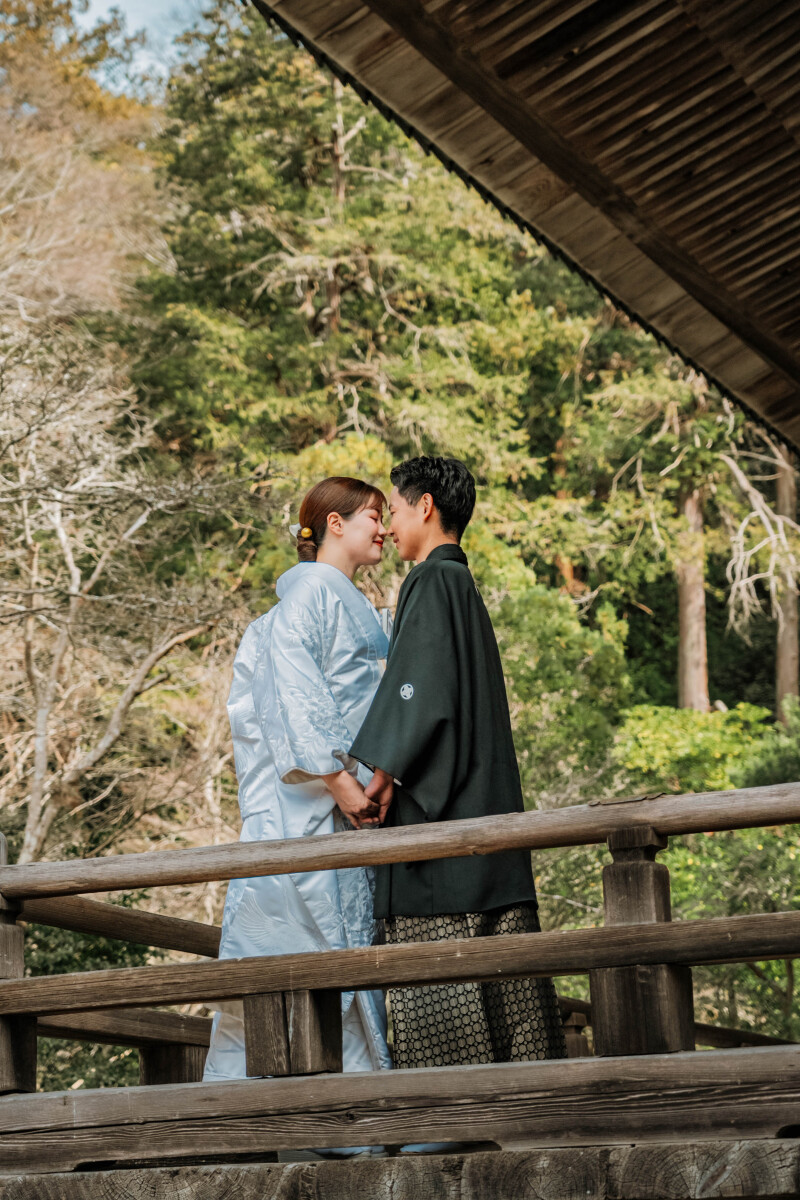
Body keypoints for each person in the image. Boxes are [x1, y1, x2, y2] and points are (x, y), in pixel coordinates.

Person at [350, 456, 566, 1069]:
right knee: (507, 973)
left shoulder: (432, 581)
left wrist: (383, 772)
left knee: (444, 965)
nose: (389, 525)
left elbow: (421, 686)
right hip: (481, 800)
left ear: (424, 507)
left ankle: (446, 1113)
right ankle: (525, 1101)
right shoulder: (460, 584)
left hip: (442, 820)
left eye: (392, 509)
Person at [203, 477, 393, 1151]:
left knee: (295, 955)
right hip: (312, 807)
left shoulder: (341, 600)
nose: (385, 527)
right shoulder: (312, 593)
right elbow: (294, 688)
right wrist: (340, 778)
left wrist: (380, 774)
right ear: (335, 524)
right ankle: (346, 1125)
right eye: (374, 515)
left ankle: (273, 1125)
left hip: (331, 805)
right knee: (315, 951)